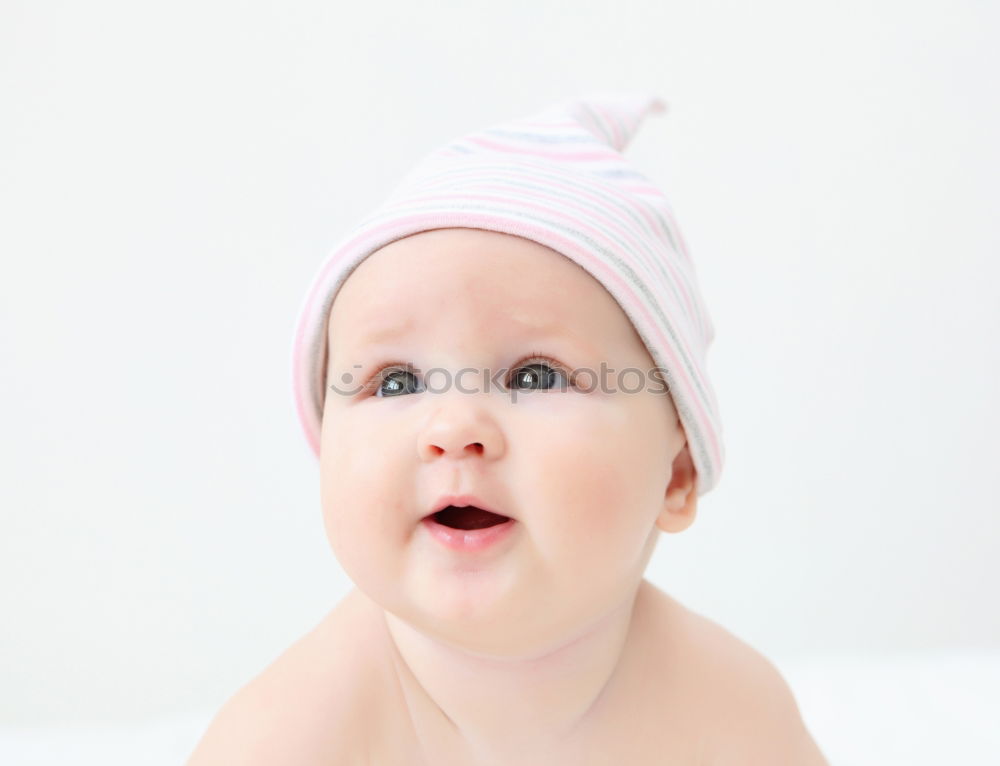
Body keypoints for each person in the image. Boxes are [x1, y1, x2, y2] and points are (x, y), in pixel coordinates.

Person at [186, 92, 829, 765]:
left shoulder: (732, 716)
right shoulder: (289, 741)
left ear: (677, 472)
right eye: (397, 381)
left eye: (535, 377)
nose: (454, 426)